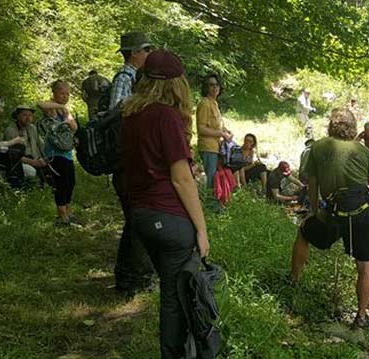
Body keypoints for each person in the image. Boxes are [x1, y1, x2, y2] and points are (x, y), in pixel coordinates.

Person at [120, 49, 211, 359]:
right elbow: (180, 180)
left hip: (141, 215)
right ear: (176, 84)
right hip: (169, 217)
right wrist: (201, 228)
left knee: (172, 289)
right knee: (176, 297)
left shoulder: (130, 115)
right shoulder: (166, 116)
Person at [290, 108, 369, 328]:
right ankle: (361, 315)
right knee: (365, 266)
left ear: (331, 125)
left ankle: (293, 280)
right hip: (361, 213)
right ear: (353, 127)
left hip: (333, 212)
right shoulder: (363, 152)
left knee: (304, 231)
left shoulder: (318, 147)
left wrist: (315, 211)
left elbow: (311, 183)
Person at [109, 31, 156, 295]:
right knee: (136, 223)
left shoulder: (135, 78)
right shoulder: (125, 77)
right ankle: (132, 280)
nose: (149, 54)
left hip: (128, 161)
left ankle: (127, 279)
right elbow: (117, 113)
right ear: (135, 53)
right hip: (125, 162)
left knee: (133, 223)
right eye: (146, 49)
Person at [37, 80, 79, 226]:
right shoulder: (52, 108)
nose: (65, 96)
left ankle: (68, 212)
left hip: (66, 152)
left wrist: (66, 114)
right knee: (61, 184)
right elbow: (40, 104)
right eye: (62, 93)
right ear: (54, 93)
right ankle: (63, 217)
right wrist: (61, 106)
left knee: (70, 183)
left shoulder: (65, 111)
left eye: (67, 94)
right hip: (54, 153)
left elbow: (74, 127)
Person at [196, 73, 232, 205]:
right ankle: (211, 206)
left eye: (217, 85)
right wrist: (221, 134)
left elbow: (217, 125)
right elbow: (201, 129)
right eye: (211, 85)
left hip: (216, 147)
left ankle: (217, 203)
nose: (214, 87)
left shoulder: (214, 103)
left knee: (216, 176)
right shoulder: (205, 103)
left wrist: (226, 131)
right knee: (211, 178)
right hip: (207, 146)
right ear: (206, 87)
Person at [3, 105, 47, 180]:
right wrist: (34, 162)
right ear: (17, 116)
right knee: (30, 172)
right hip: (19, 163)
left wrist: (44, 158)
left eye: (30, 115)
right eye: (24, 115)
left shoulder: (32, 128)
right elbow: (13, 155)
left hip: (35, 159)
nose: (28, 118)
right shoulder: (11, 131)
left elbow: (41, 145)